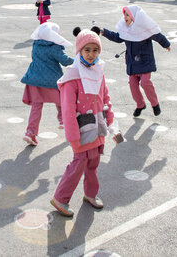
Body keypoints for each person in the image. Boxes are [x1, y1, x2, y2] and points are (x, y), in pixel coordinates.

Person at [50, 27, 120, 218]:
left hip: (97, 128)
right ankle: (60, 198)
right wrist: (73, 137)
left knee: (93, 163)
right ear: (79, 51)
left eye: (95, 50)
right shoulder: (72, 77)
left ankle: (90, 194)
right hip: (81, 131)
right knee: (78, 164)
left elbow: (105, 98)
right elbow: (67, 110)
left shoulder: (99, 71)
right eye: (86, 50)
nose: (91, 54)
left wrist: (111, 122)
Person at [101, 5, 171, 117]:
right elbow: (117, 37)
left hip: (145, 61)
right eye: (124, 15)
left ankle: (155, 104)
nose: (125, 17)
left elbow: (157, 36)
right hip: (132, 63)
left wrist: (166, 44)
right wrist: (104, 32)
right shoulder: (125, 30)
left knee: (145, 82)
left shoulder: (144, 29)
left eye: (127, 14)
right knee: (133, 86)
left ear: (134, 16)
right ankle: (140, 105)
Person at [20, 22, 74, 146]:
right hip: (52, 80)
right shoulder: (54, 47)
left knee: (37, 106)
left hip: (35, 79)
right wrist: (79, 61)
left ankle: (30, 132)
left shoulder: (36, 45)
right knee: (61, 100)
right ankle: (63, 120)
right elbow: (65, 61)